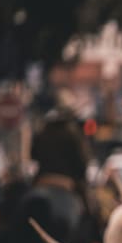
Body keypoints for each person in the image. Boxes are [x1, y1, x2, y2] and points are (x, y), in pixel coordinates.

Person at [30, 94, 95, 226]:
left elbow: (33, 156)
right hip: (66, 182)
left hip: (43, 179)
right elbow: (82, 162)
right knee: (92, 214)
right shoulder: (73, 133)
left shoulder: (42, 130)